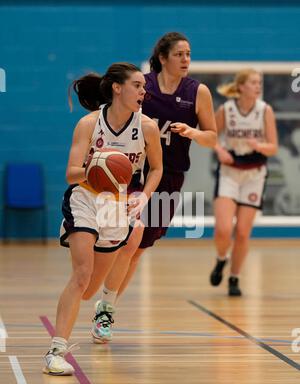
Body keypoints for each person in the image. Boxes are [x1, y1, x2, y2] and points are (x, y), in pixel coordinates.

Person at [86, 31, 217, 343]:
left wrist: (194, 134)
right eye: (179, 54)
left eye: (188, 54)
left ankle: (106, 307)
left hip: (168, 177)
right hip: (132, 173)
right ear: (162, 58)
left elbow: (212, 136)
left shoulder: (198, 92)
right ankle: (100, 299)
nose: (186, 60)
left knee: (138, 249)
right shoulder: (141, 85)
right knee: (129, 240)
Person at [43, 62, 162, 375]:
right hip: (85, 197)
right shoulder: (89, 124)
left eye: (144, 87)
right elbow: (71, 173)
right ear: (117, 88)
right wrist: (101, 167)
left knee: (89, 291)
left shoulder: (147, 127)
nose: (143, 91)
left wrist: (144, 194)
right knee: (81, 274)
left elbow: (157, 169)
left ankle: (102, 308)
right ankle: (56, 351)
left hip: (117, 206)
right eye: (137, 85)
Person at [210, 68, 278, 296]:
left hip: (254, 173)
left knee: (241, 232)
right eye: (253, 83)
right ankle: (221, 259)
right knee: (223, 229)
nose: (258, 86)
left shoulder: (264, 110)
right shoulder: (226, 110)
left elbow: (273, 146)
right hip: (229, 170)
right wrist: (219, 150)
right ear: (240, 87)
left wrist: (259, 145)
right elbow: (210, 137)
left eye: (259, 83)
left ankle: (234, 278)